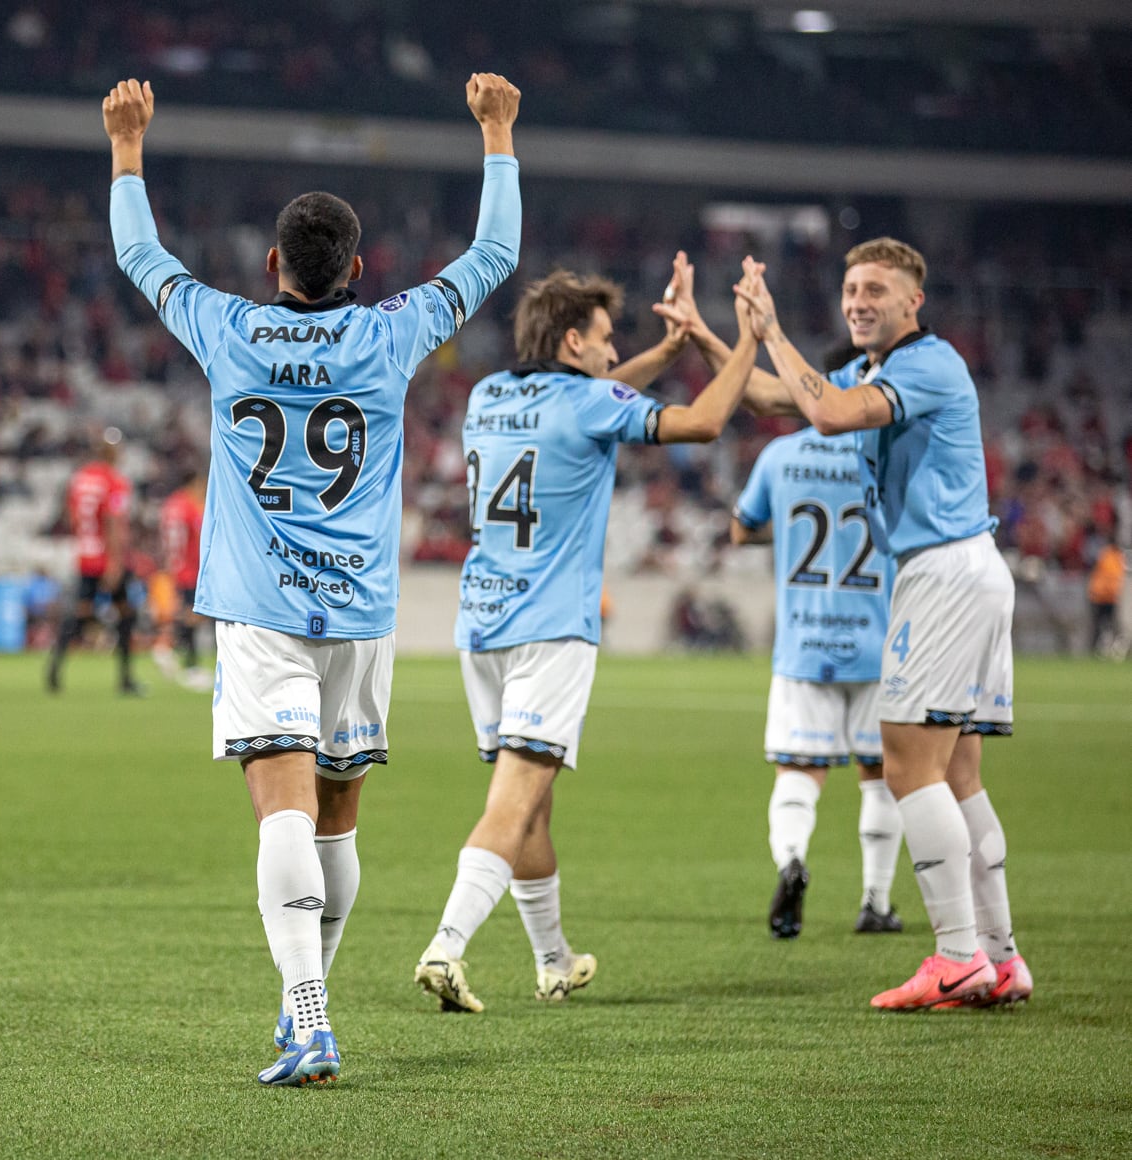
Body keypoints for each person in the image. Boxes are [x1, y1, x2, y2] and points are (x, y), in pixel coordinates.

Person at [105, 72, 521, 1084]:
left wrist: (127, 148)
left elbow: (137, 253)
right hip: (362, 615)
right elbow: (496, 253)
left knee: (282, 810)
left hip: (261, 611)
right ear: (361, 266)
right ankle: (306, 1009)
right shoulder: (392, 330)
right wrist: (497, 133)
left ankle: (309, 1013)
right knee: (334, 816)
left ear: (273, 262)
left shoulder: (227, 327)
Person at [413, 266, 759, 1013]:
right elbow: (698, 423)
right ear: (574, 341)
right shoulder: (590, 401)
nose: (612, 351)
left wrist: (663, 355)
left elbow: (593, 399)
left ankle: (554, 960)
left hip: (482, 623)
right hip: (551, 628)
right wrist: (749, 341)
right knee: (513, 802)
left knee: (532, 803)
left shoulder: (489, 395)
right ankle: (447, 945)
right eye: (605, 339)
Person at [732, 240, 1029, 1010]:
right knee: (957, 773)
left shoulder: (927, 363)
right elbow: (779, 398)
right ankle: (1000, 956)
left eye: (876, 289)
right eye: (850, 288)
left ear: (912, 301)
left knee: (906, 766)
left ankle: (956, 957)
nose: (858, 300)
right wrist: (711, 336)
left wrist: (770, 329)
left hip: (941, 573)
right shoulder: (874, 371)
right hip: (967, 569)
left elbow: (824, 416)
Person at [730, 426, 904, 939]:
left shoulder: (781, 454)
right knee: (880, 775)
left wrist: (787, 528)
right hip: (877, 642)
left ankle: (791, 862)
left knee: (798, 774)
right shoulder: (888, 453)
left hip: (805, 644)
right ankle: (876, 901)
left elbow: (741, 530)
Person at [45, 428, 140, 696]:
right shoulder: (115, 481)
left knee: (79, 613)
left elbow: (71, 517)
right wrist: (115, 563)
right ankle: (126, 678)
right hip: (107, 558)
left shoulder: (80, 478)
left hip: (85, 556)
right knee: (125, 616)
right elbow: (113, 522)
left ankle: (54, 667)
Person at [153, 465, 209, 690]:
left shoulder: (171, 504)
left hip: (172, 566)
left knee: (188, 613)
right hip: (190, 568)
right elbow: (198, 539)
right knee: (193, 615)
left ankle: (174, 652)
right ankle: (175, 654)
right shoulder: (191, 506)